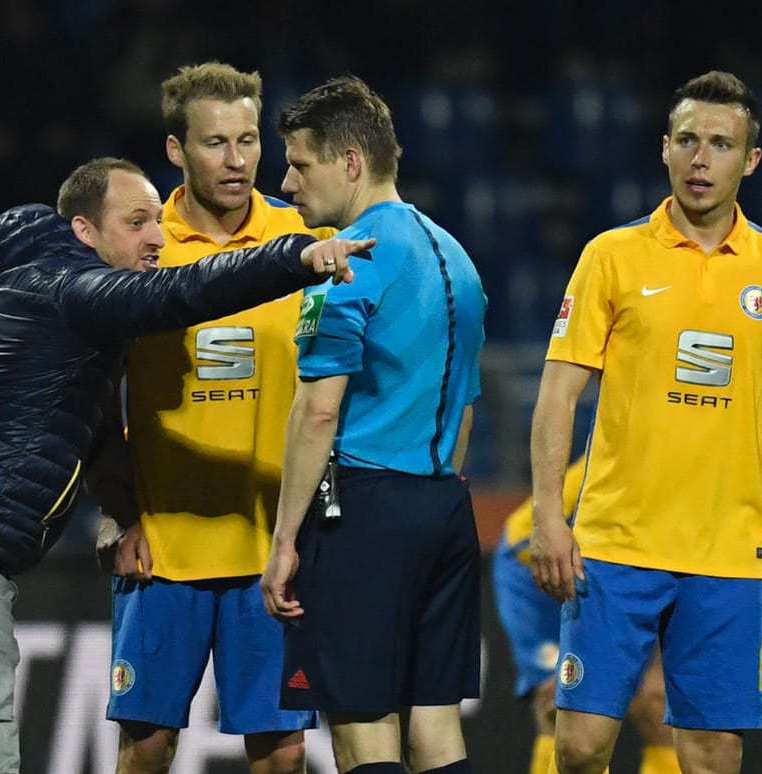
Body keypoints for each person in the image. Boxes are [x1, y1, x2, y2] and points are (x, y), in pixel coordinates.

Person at [0, 157, 370, 773]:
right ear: (84, 232)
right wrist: (295, 258)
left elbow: (97, 422)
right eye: (136, 222)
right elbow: (185, 291)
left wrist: (115, 505)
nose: (156, 237)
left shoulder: (26, 290)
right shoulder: (76, 291)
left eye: (157, 219)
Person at [528, 71, 762, 774]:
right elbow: (558, 395)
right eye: (688, 140)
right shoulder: (611, 256)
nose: (701, 158)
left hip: (727, 553)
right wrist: (551, 520)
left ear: (752, 160)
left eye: (720, 143)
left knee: (710, 755)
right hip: (616, 545)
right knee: (580, 746)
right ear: (665, 150)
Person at [99, 62, 333, 774]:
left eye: (247, 140)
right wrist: (118, 513)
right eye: (213, 144)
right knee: (145, 748)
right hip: (164, 550)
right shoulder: (143, 247)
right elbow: (93, 396)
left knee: (281, 754)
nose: (236, 162)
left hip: (271, 546)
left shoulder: (302, 240)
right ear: (175, 150)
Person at [260, 75, 488, 774]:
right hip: (447, 506)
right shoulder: (459, 257)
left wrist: (285, 539)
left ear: (351, 162)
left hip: (362, 510)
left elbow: (318, 409)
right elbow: (469, 403)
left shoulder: (344, 262)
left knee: (364, 731)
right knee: (437, 732)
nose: (287, 182)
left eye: (301, 163)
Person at [493, 459, 682, 774]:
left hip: (628, 571)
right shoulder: (636, 452)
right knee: (557, 697)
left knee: (655, 699)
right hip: (533, 565)